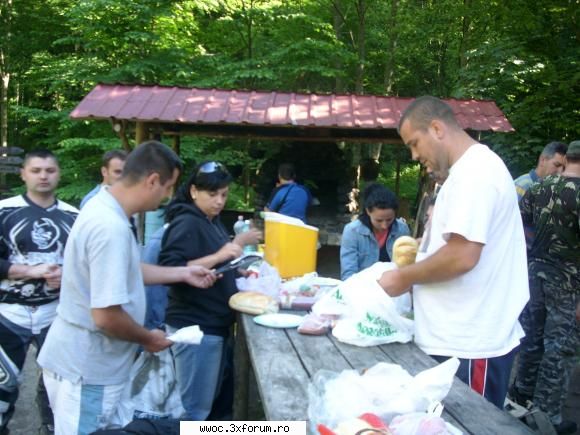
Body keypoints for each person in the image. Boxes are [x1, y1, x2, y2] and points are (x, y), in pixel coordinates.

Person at [37, 141, 217, 435]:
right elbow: (106, 316)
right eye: (169, 187)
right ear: (152, 180)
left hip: (90, 365)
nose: (168, 196)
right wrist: (149, 338)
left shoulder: (107, 207)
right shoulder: (110, 227)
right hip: (87, 370)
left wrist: (183, 273)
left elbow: (127, 271)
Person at [376, 96, 529, 409]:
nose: (415, 155)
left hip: (470, 346)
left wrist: (403, 278)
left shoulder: (476, 174)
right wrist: (424, 248)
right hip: (455, 342)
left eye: (415, 143)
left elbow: (462, 255)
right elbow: (460, 245)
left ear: (437, 128)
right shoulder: (465, 173)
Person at [159, 161, 261, 421]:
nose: (219, 201)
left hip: (212, 325)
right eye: (212, 194)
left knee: (206, 407)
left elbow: (210, 264)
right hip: (195, 328)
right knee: (193, 412)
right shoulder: (186, 222)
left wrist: (235, 270)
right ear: (194, 191)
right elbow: (170, 269)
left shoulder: (210, 221)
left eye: (224, 195)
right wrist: (224, 252)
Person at [0, 149, 78, 435]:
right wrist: (30, 271)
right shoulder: (3, 211)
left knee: (58, 388)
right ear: (23, 174)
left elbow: (86, 268)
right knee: (2, 387)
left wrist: (67, 278)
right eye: (36, 170)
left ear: (59, 174)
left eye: (49, 170)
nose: (43, 175)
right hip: (8, 313)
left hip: (56, 315)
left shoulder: (74, 217)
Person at [509, 140, 580, 435]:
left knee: (532, 341)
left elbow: (519, 223)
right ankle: (546, 418)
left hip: (534, 275)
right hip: (569, 282)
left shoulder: (540, 187)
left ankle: (519, 401)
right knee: (560, 349)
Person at [340, 183, 411, 280]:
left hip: (394, 287)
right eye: (379, 220)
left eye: (389, 219)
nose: (384, 225)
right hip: (362, 288)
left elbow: (407, 267)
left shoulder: (402, 229)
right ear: (368, 211)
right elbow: (348, 274)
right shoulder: (352, 231)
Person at [514, 142, 567, 250]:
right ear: (543, 160)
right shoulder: (523, 186)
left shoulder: (553, 189)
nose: (560, 171)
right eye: (556, 165)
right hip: (521, 254)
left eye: (564, 168)